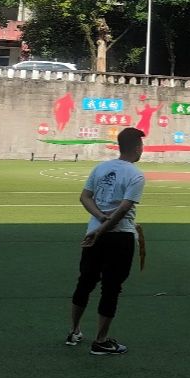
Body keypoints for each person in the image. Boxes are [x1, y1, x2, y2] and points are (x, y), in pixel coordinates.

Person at [67, 127, 146, 355]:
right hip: (119, 237)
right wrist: (103, 227)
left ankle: (74, 331)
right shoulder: (136, 175)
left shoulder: (101, 167)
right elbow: (123, 210)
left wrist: (99, 219)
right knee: (111, 288)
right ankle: (101, 340)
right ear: (137, 148)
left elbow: (85, 197)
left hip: (93, 233)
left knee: (85, 282)